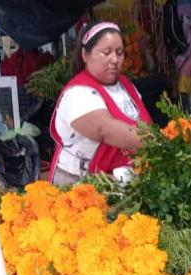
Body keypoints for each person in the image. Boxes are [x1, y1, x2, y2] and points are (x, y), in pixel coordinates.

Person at [48, 22, 152, 186]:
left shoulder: (126, 86)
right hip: (78, 183)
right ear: (85, 54)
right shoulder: (77, 93)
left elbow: (142, 123)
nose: (114, 59)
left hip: (119, 180)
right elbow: (105, 130)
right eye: (106, 52)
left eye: (119, 52)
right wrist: (162, 142)